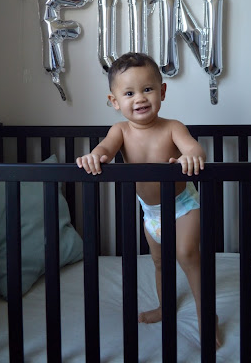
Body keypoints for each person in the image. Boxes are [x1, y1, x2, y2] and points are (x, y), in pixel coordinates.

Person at [76, 52, 220, 349]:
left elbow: (195, 149)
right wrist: (95, 156)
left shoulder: (173, 127)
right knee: (159, 263)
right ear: (115, 101)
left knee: (187, 255)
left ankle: (206, 315)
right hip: (151, 213)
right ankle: (165, 307)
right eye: (129, 93)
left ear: (162, 92)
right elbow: (105, 149)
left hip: (183, 206)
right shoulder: (120, 131)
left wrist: (191, 157)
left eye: (147, 89)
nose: (139, 98)